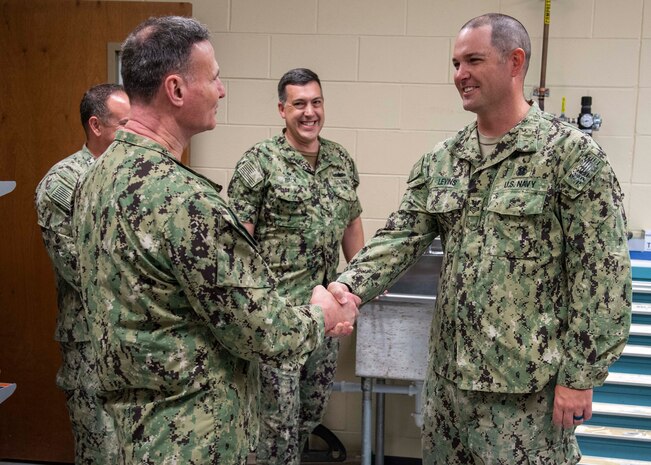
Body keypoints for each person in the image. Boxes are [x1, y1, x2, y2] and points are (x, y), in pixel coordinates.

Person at [329, 13, 631, 465]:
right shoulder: (444, 159)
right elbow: (401, 235)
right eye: (454, 64)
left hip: (526, 393)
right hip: (451, 389)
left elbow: (603, 275)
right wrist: (348, 287)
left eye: (472, 60)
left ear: (515, 62)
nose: (460, 75)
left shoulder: (569, 156)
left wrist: (581, 376)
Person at [71, 16, 359, 465]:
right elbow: (264, 331)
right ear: (177, 90)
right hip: (194, 437)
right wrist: (322, 314)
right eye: (215, 77)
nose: (222, 90)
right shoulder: (186, 200)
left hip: (129, 431)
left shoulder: (97, 177)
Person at [228, 68, 364, 465]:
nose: (310, 112)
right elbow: (239, 245)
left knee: (309, 414)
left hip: (325, 319)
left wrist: (361, 285)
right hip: (278, 320)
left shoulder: (340, 160)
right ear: (282, 109)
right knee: (277, 426)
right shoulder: (259, 164)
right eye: (299, 104)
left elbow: (351, 225)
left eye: (316, 102)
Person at [35, 83, 130, 465]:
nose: (134, 131)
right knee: (101, 451)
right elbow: (80, 268)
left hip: (133, 341)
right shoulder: (63, 183)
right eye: (125, 123)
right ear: (96, 125)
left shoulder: (130, 175)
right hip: (90, 341)